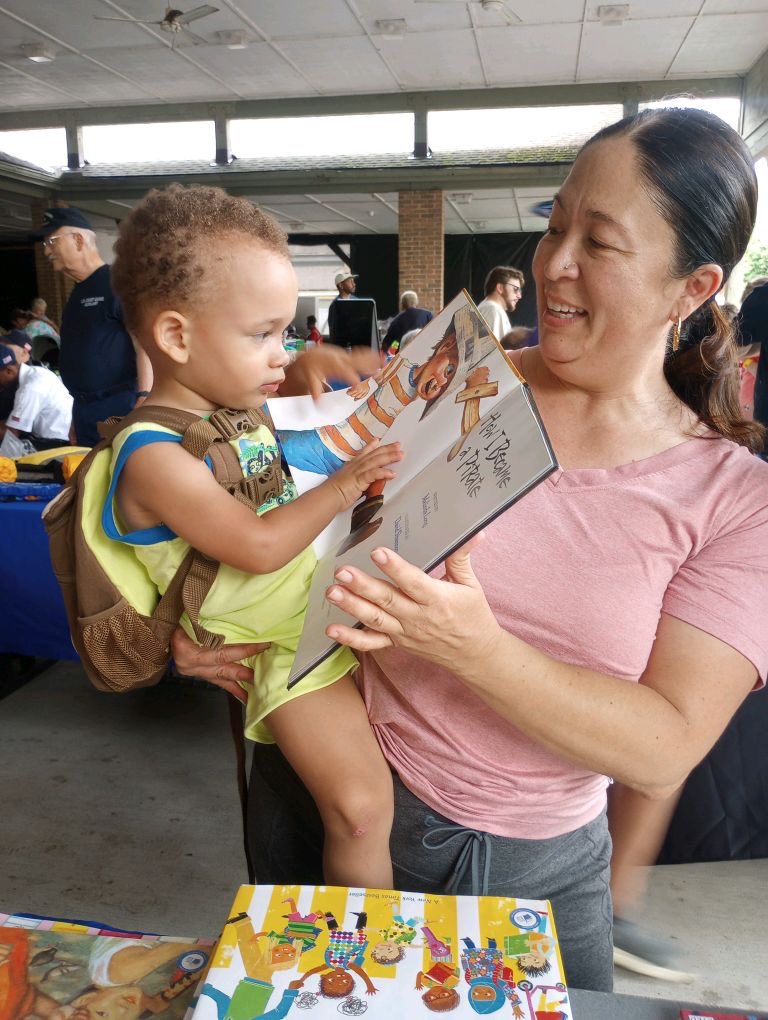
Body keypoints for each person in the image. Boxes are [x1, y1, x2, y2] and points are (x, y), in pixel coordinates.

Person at [172, 107, 768, 994]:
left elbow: (664, 747)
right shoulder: (457, 370)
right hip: (324, 786)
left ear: (692, 287)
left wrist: (473, 649)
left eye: (598, 243)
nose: (554, 263)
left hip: (522, 868)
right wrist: (209, 609)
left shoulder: (730, 499)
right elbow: (304, 511)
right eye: (555, 224)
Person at [108, 183, 402, 890]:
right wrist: (346, 482)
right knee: (361, 810)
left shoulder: (231, 416)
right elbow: (259, 545)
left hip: (305, 607)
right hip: (273, 638)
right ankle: (369, 964)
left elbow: (283, 464)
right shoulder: (152, 455)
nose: (283, 353)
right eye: (262, 334)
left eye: (287, 331)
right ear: (177, 336)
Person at [32, 207, 153, 447]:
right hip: (84, 410)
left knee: (122, 479)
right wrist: (77, 415)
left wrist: (144, 400)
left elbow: (145, 346)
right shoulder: (77, 292)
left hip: (122, 406)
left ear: (78, 240)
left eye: (52, 241)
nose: (46, 251)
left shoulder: (118, 284)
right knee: (90, 480)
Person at [0, 342, 72, 456]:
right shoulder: (35, 372)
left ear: (9, 371)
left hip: (57, 445)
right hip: (50, 439)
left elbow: (11, 433)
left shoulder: (30, 387)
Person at [476, 266, 524, 342]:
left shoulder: (489, 308)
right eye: (515, 289)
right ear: (500, 288)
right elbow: (496, 353)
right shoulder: (493, 309)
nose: (519, 296)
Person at [383, 290, 433, 355]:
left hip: (403, 357)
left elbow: (389, 342)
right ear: (416, 302)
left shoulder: (397, 320)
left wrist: (391, 353)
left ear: (402, 303)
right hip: (424, 353)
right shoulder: (427, 315)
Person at [327, 270, 357, 345]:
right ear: (341, 285)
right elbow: (332, 331)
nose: (354, 284)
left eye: (353, 281)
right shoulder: (335, 306)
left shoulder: (357, 301)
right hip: (342, 347)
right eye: (350, 281)